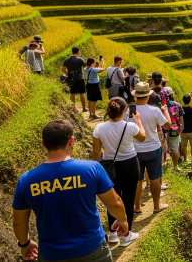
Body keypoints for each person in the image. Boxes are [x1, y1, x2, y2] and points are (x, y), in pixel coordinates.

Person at [12, 119, 129, 262]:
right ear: (71, 141)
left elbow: (18, 222)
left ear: (44, 145)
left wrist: (24, 243)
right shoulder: (92, 169)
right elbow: (115, 203)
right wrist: (122, 220)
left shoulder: (26, 180)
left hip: (51, 255)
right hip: (92, 250)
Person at [92, 98, 146, 247]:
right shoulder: (130, 127)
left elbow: (96, 154)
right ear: (125, 110)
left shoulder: (99, 128)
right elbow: (143, 138)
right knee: (128, 199)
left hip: (109, 167)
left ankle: (113, 233)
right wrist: (138, 121)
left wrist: (95, 171)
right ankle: (126, 235)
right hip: (129, 164)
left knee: (112, 200)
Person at [126, 82, 170, 215]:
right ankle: (156, 206)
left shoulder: (128, 111)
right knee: (155, 178)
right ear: (148, 96)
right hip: (152, 147)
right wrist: (165, 112)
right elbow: (167, 126)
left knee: (138, 180)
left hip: (134, 149)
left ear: (135, 97)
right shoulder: (154, 110)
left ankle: (137, 207)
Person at [62, 47, 88, 113]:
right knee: (82, 92)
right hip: (79, 77)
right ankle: (84, 108)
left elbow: (63, 69)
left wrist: (69, 72)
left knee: (72, 93)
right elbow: (85, 68)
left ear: (72, 51)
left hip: (70, 78)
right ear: (78, 51)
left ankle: (73, 109)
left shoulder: (67, 60)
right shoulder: (80, 59)